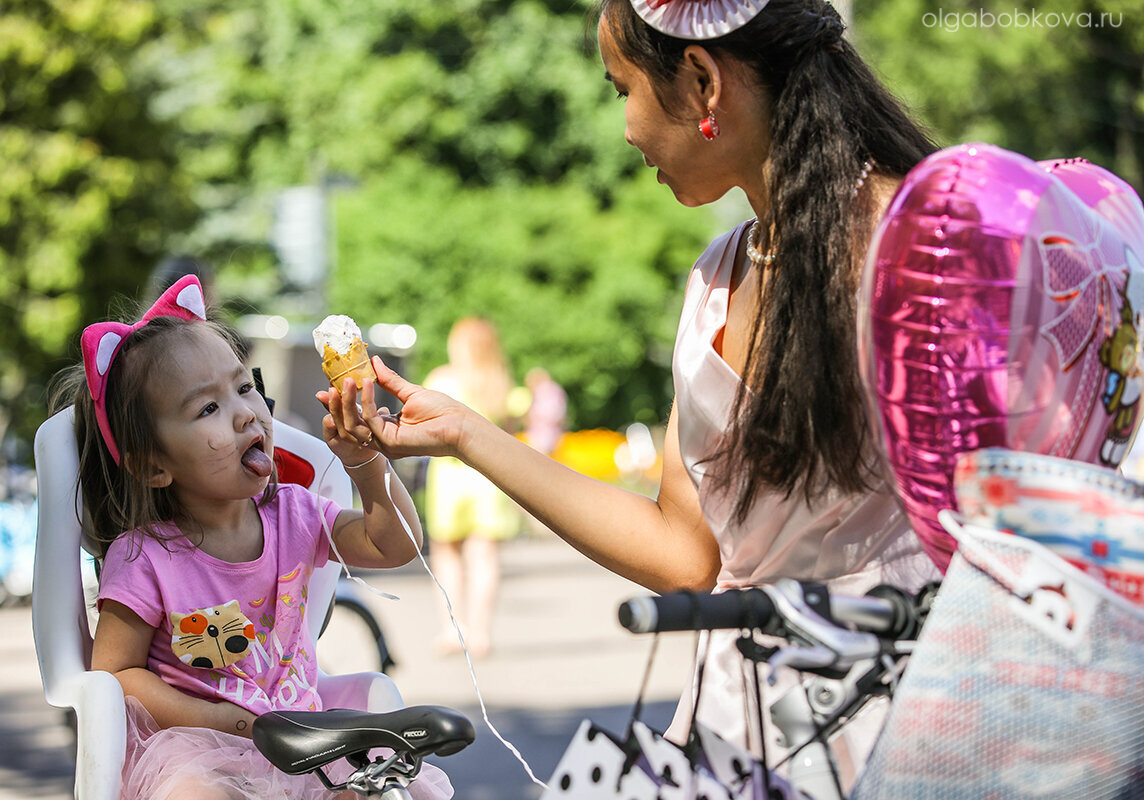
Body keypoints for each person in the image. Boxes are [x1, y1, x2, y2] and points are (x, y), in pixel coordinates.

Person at [331, 0, 942, 787]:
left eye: (623, 87)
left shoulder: (924, 245)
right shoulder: (716, 279)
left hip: (909, 718)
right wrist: (465, 435)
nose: (624, 128)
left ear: (699, 82)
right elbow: (687, 557)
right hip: (740, 731)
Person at [53, 275, 451, 800]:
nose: (246, 413)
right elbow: (116, 674)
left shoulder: (295, 513)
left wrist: (367, 463)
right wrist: (222, 720)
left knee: (369, 789)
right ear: (154, 467)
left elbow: (393, 545)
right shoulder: (146, 555)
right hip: (197, 745)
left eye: (244, 388)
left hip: (303, 740)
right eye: (208, 409)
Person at [422, 318, 520, 659]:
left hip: (449, 479)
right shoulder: (500, 384)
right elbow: (510, 433)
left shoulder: (441, 379)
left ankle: (453, 629)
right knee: (485, 559)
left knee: (447, 555)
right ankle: (481, 633)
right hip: (487, 479)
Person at [522, 367, 568, 457]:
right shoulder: (555, 390)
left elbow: (548, 413)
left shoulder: (544, 391)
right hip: (553, 434)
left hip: (543, 434)